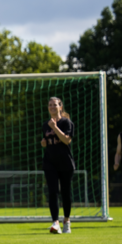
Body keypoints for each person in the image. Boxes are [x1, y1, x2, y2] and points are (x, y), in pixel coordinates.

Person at [41, 97, 74, 234]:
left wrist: (54, 127)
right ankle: (55, 222)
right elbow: (47, 140)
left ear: (60, 107)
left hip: (65, 162)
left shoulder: (67, 122)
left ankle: (66, 221)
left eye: (55, 105)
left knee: (65, 192)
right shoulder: (45, 124)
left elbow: (66, 140)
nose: (52, 107)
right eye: (50, 105)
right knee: (53, 192)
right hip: (50, 162)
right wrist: (43, 142)